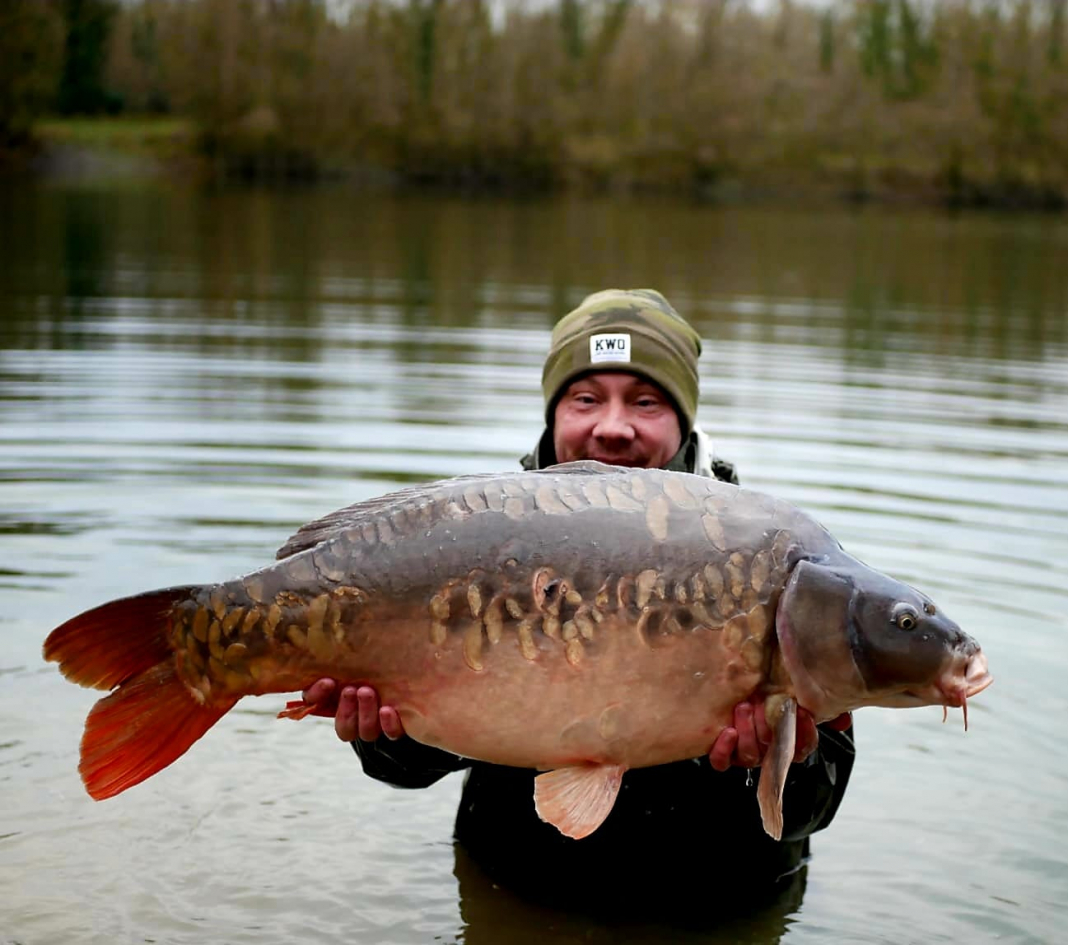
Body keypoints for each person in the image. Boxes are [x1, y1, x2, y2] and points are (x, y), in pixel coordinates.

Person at [301, 289, 855, 913]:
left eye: (645, 401)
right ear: (554, 414)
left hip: (718, 906)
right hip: (515, 895)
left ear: (684, 421)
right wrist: (391, 735)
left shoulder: (768, 564)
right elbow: (404, 769)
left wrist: (785, 759)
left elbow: (816, 809)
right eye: (586, 398)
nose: (612, 427)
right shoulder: (468, 540)